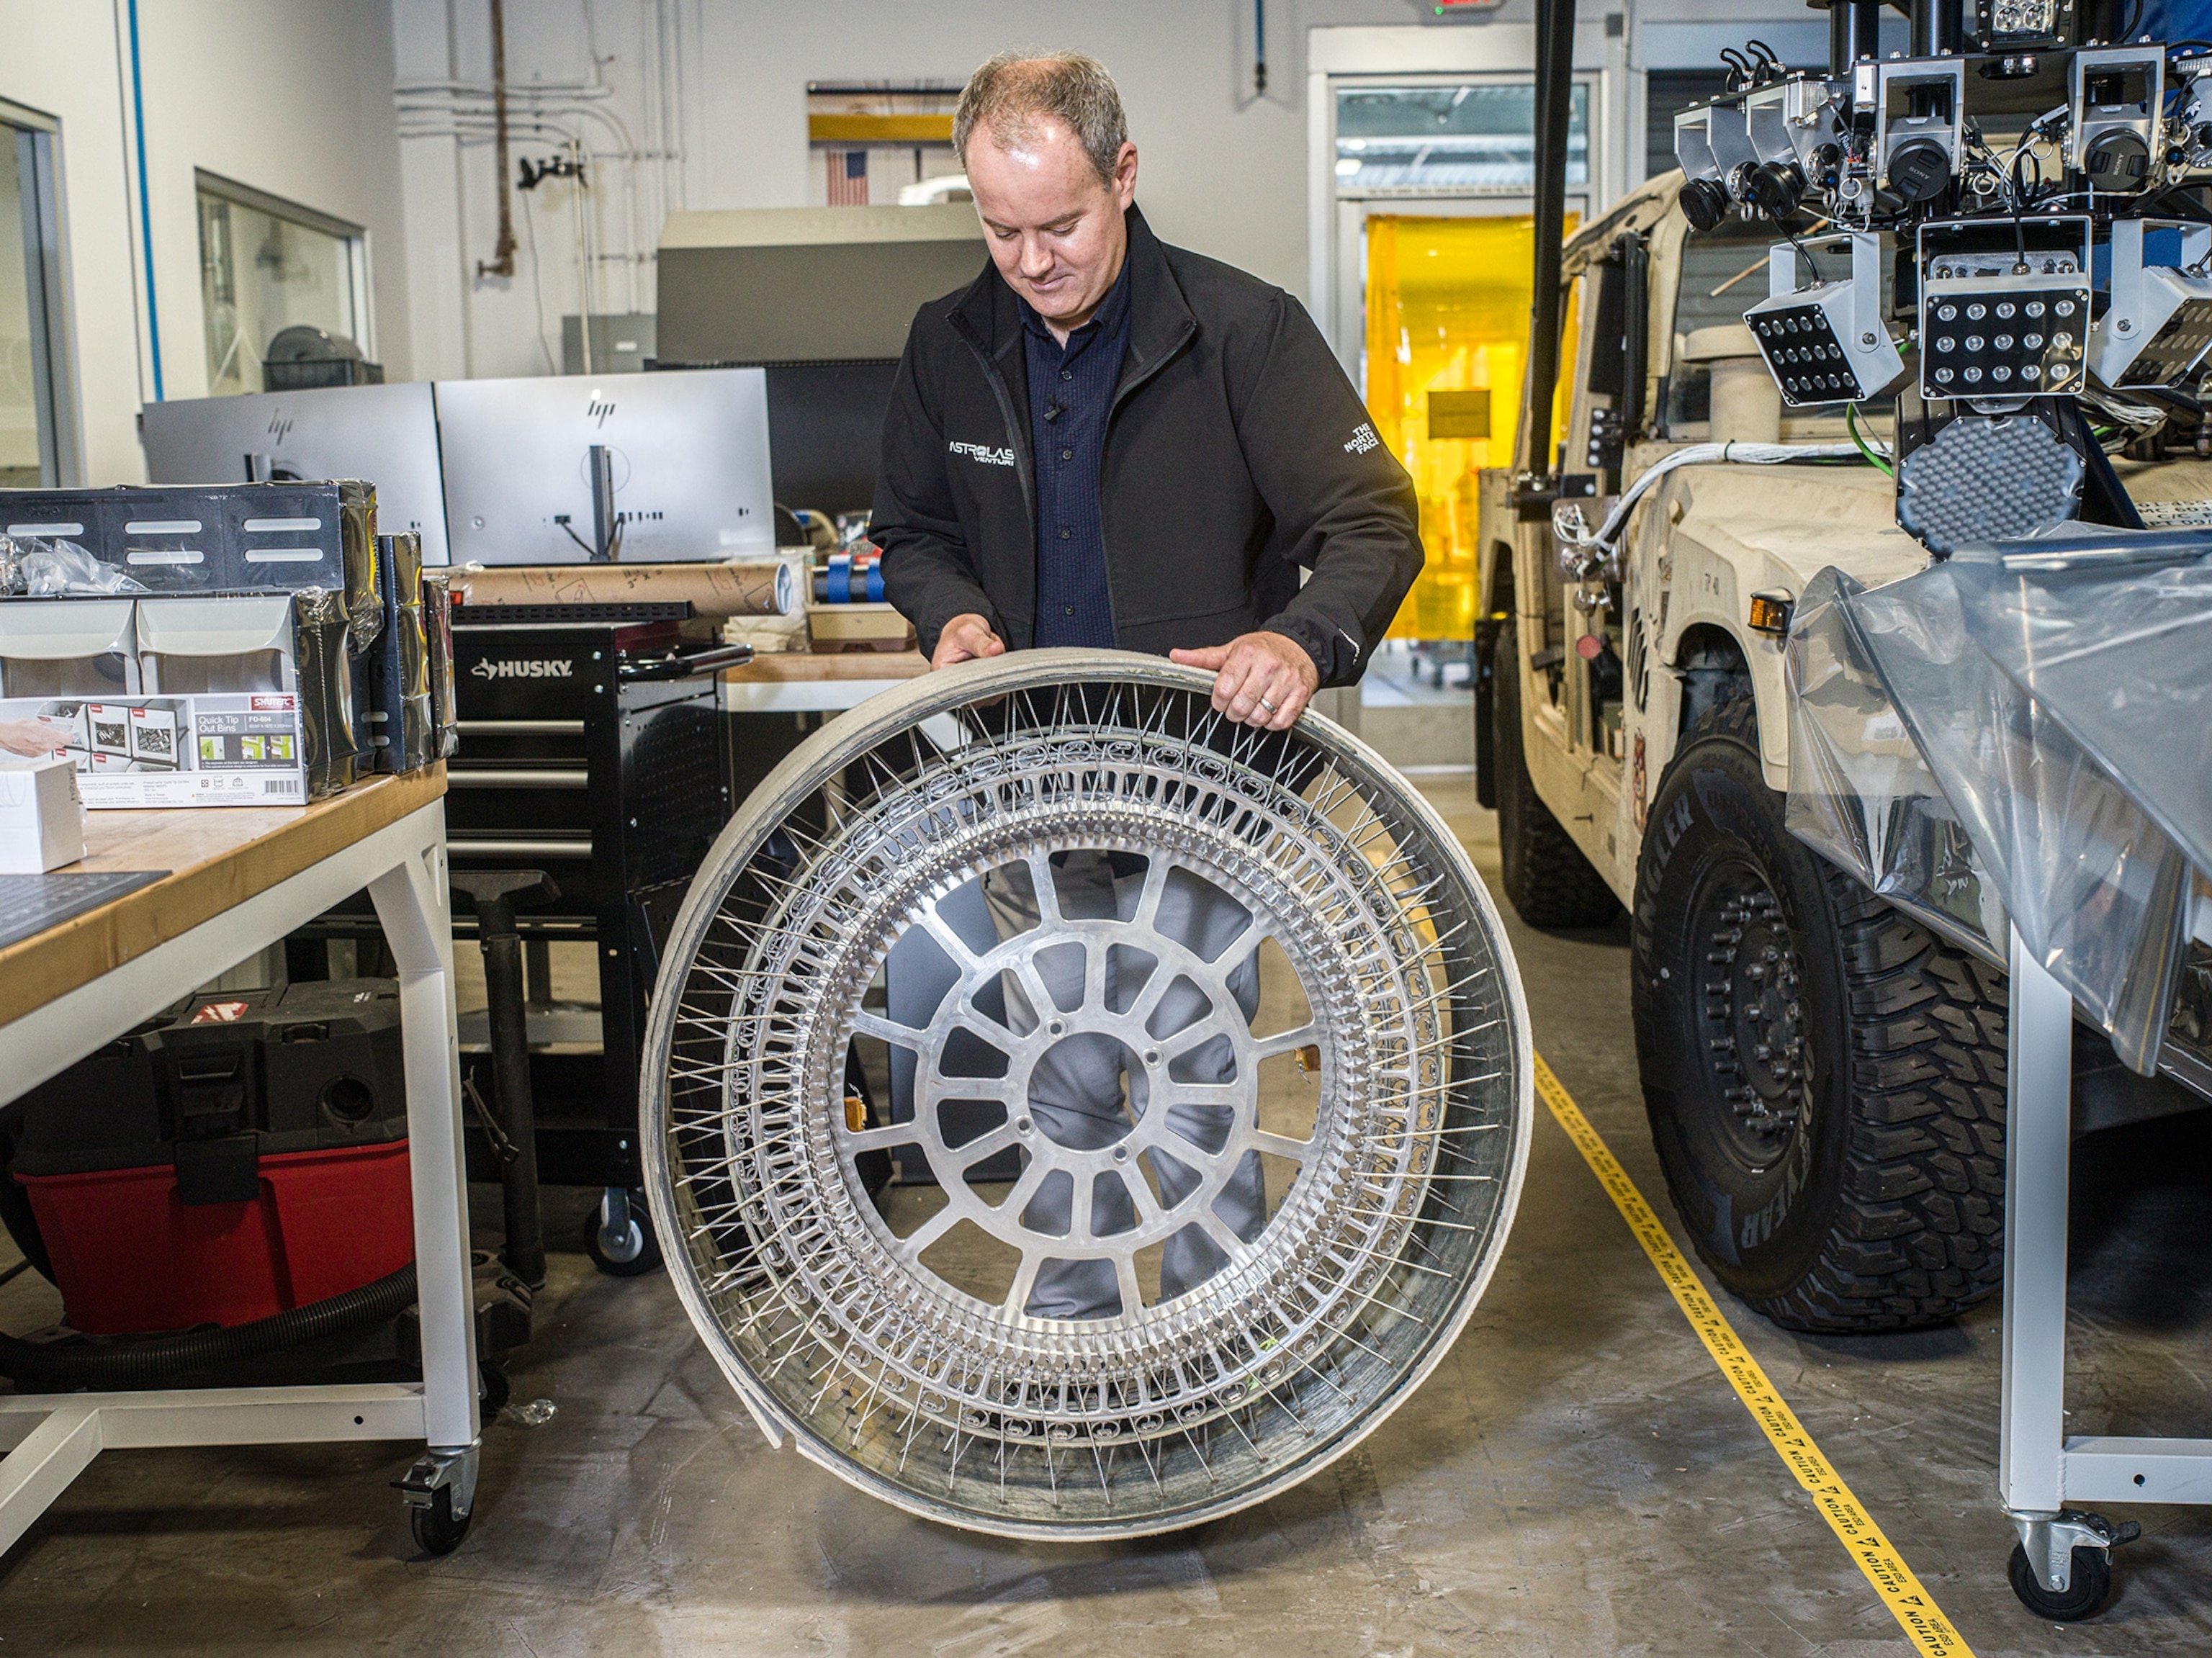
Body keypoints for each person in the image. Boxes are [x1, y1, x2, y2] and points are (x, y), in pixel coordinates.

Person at [871, 50, 1421, 1322]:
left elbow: (1375, 524)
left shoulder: (1244, 331)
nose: (1029, 260)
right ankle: (1077, 1339)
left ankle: (1207, 1338)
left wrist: (1300, 641)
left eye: (1059, 223)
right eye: (1000, 228)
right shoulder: (947, 344)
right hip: (1030, 785)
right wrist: (948, 615)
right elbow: (910, 529)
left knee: (1192, 1081)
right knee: (1059, 1084)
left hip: (1200, 797)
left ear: (1124, 177)